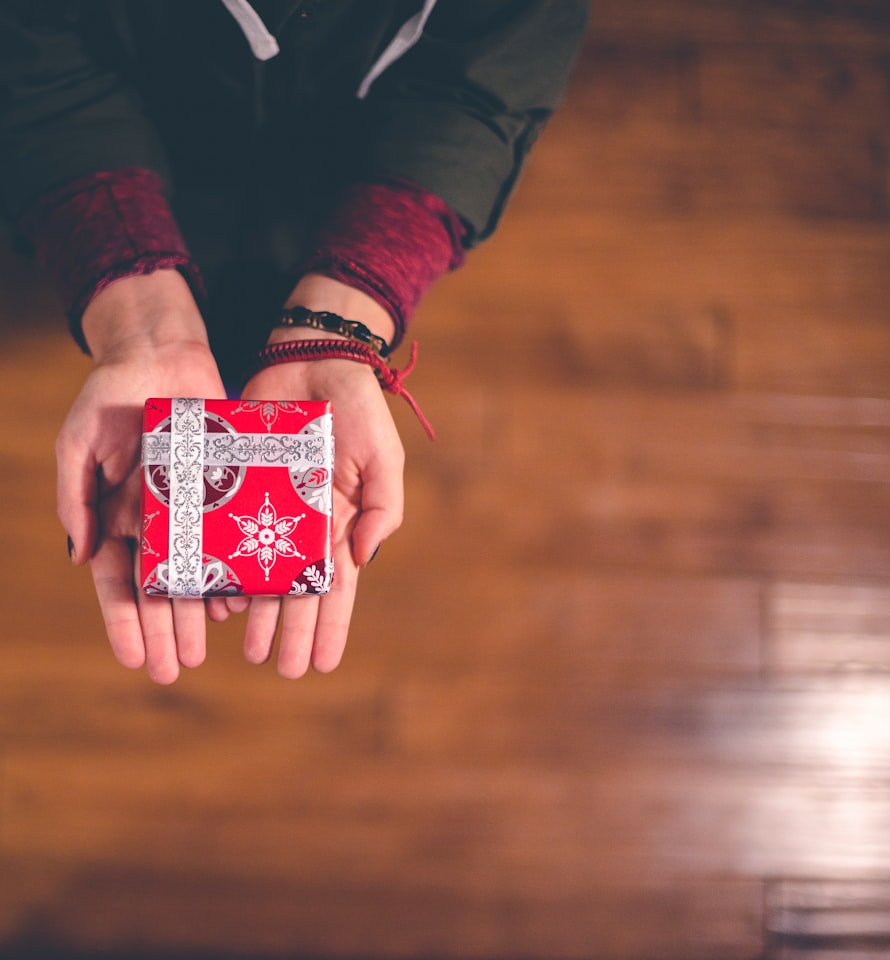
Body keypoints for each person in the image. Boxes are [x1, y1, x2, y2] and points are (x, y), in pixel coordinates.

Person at [0, 0, 588, 683]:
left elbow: (488, 80)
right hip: (122, 163)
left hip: (349, 182)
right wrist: (134, 310)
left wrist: (348, 303)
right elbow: (29, 59)